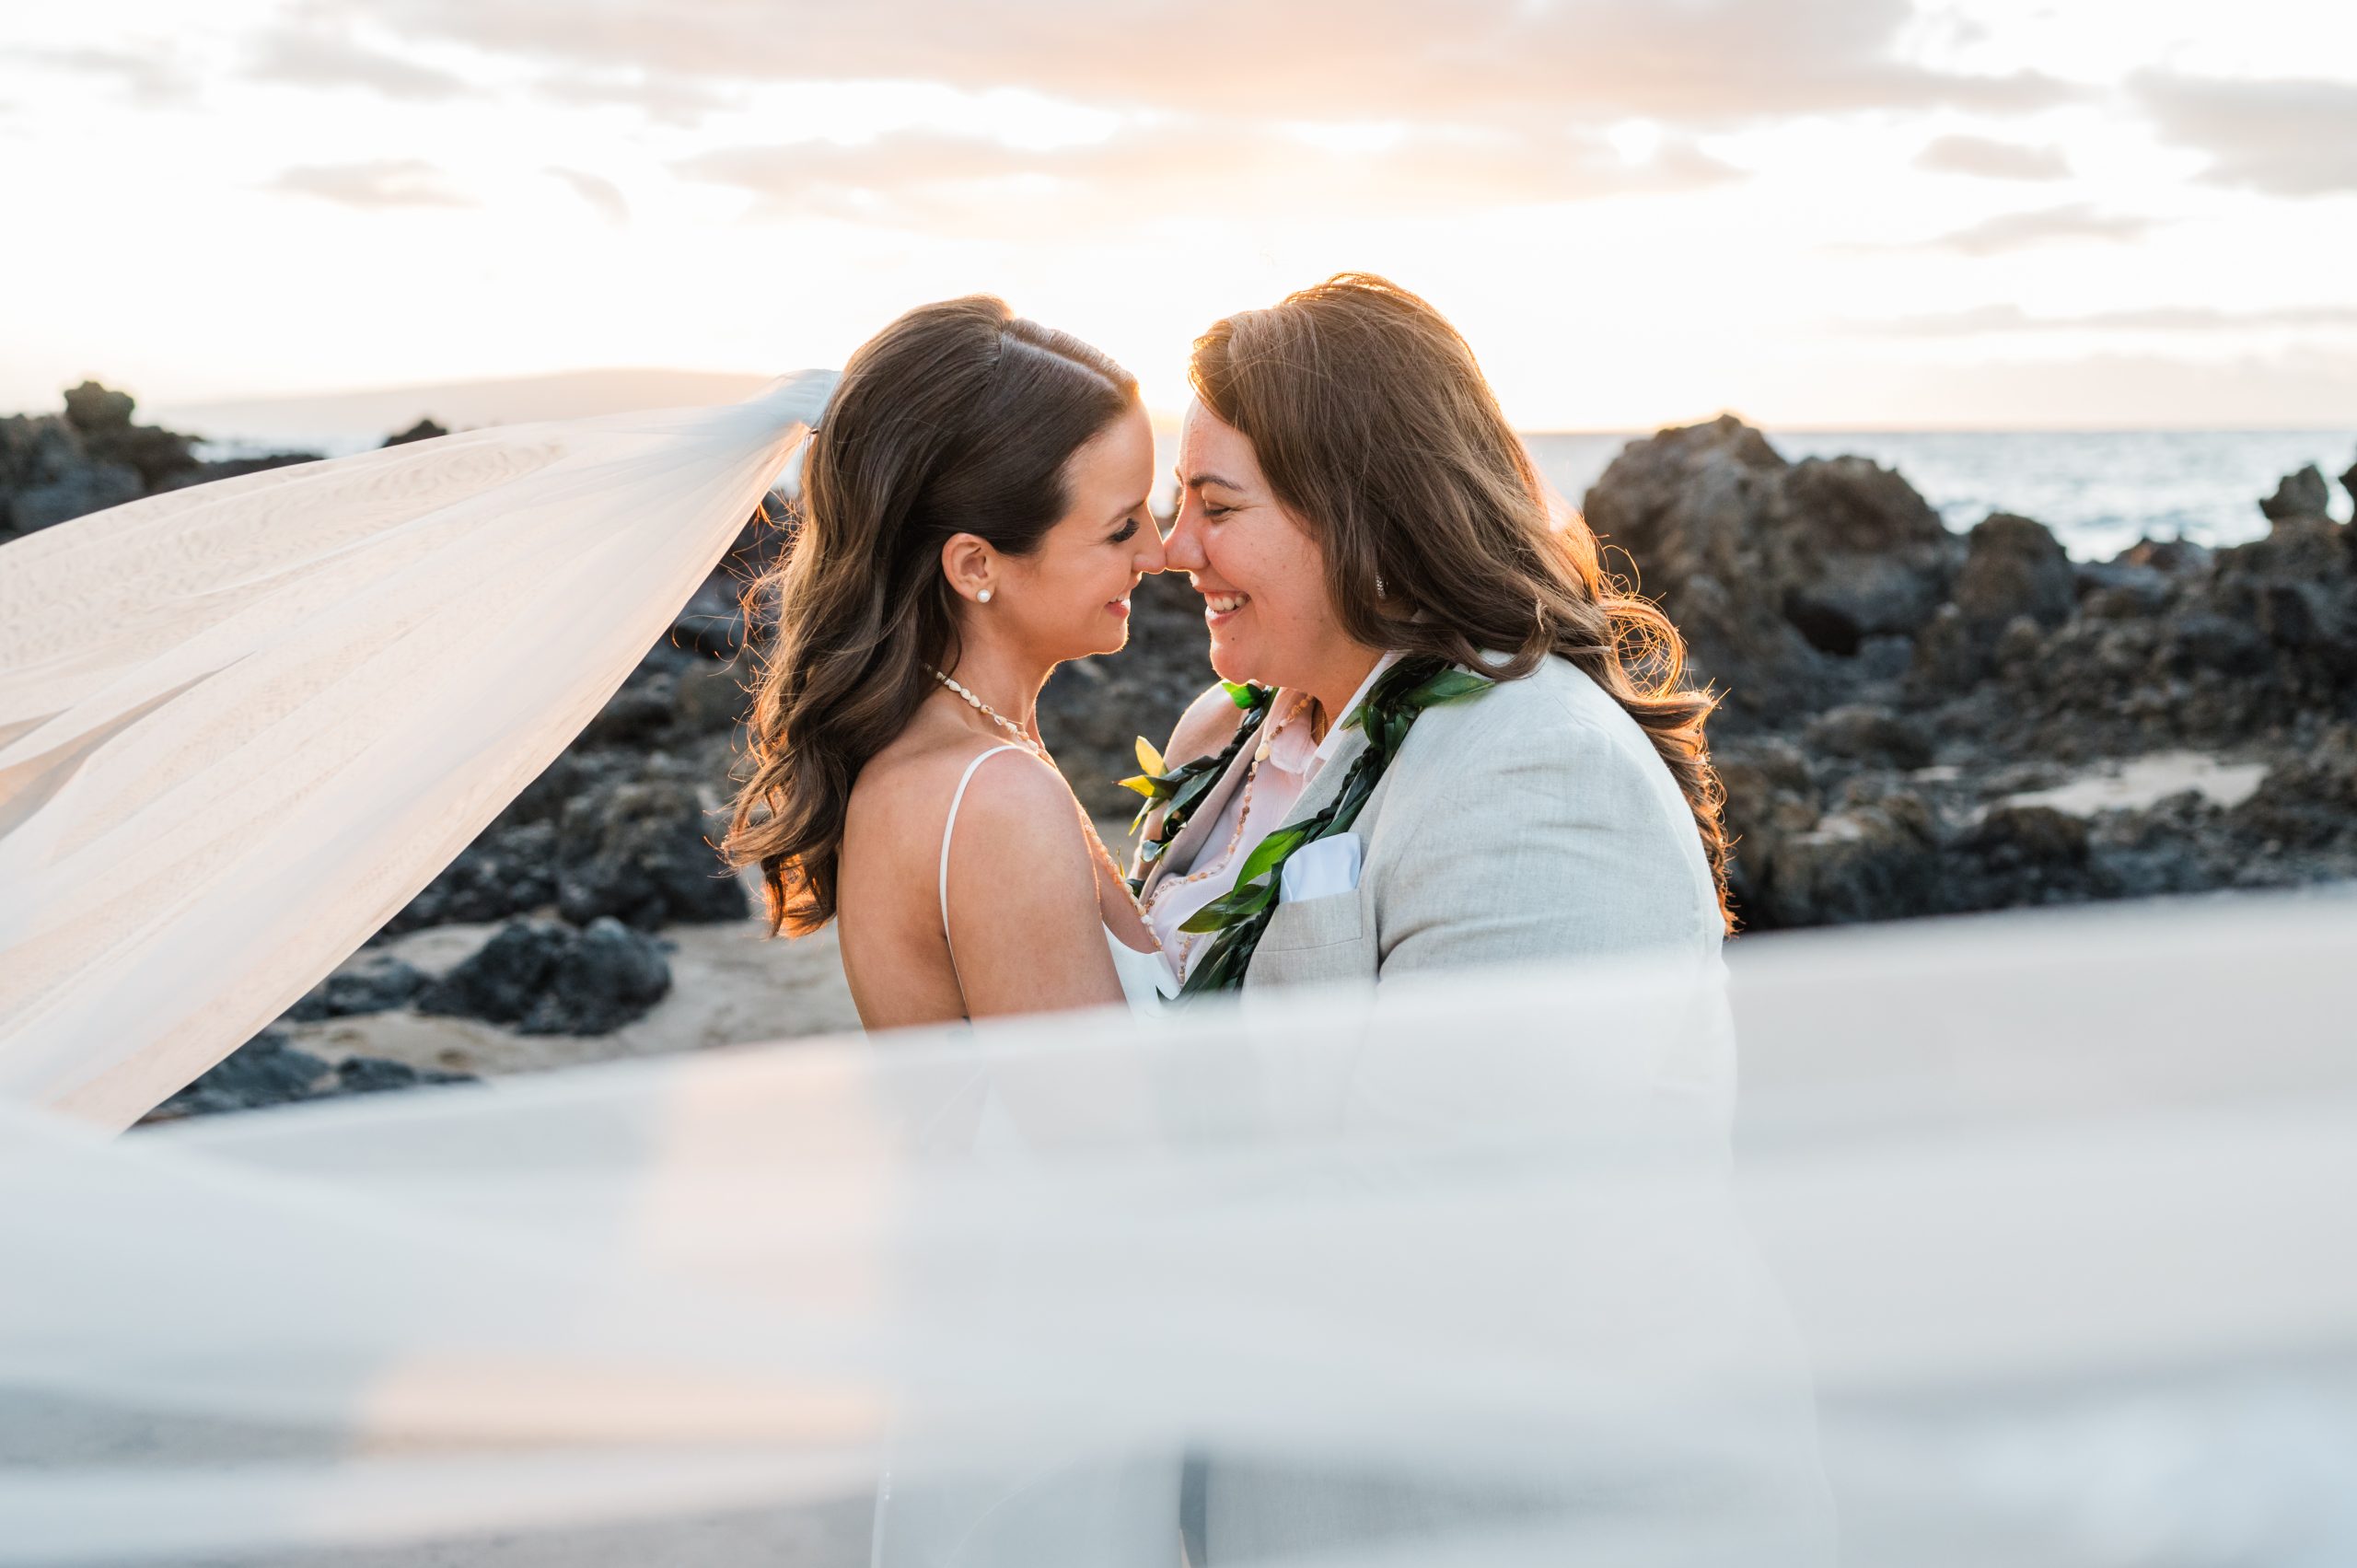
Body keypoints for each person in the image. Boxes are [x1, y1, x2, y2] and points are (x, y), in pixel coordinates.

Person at [1135, 273, 1731, 997]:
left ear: (1369, 520)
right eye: (1182, 500)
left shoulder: (1544, 778)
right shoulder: (1220, 727)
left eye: (1218, 508)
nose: (1173, 550)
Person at [722, 296, 1178, 1025]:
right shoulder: (995, 797)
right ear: (974, 565)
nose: (1159, 555)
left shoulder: (953, 756)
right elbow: (1102, 1135)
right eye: (1122, 528)